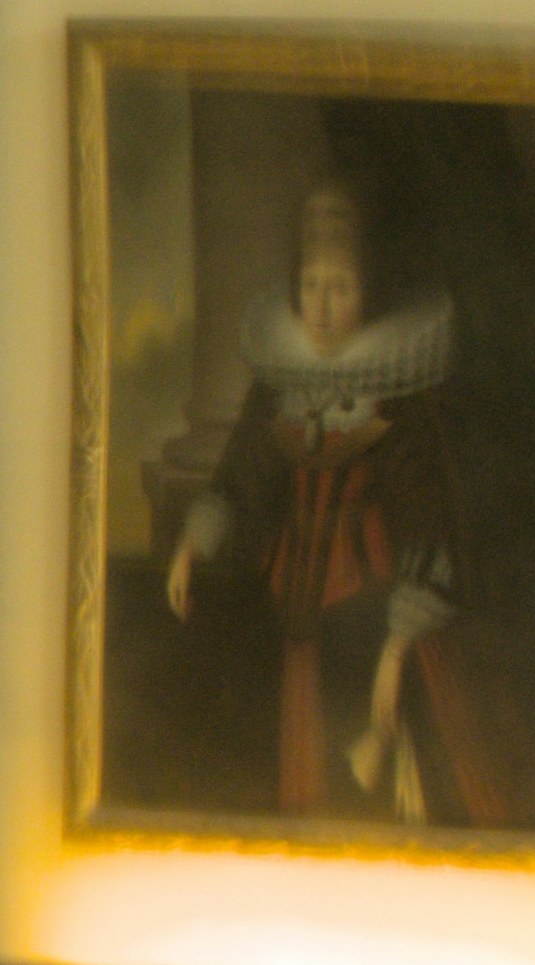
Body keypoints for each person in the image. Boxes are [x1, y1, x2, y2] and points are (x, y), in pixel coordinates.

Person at [160, 185, 505, 828]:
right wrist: (191, 544)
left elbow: (429, 526)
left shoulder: (401, 400)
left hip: (384, 617)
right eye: (312, 284)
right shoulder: (279, 385)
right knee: (299, 777)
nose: (320, 308)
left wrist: (398, 647)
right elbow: (242, 475)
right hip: (297, 612)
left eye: (340, 287)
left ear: (367, 290)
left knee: (395, 787)